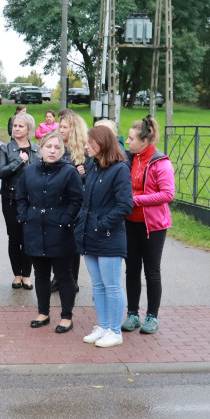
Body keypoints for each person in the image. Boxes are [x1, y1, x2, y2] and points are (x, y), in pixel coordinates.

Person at [16, 131, 83, 332]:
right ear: (41, 148)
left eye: (57, 147)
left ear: (62, 150)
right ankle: (43, 312)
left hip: (60, 231)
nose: (52, 151)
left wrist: (64, 220)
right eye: (49, 147)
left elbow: (77, 200)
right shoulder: (29, 171)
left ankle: (66, 316)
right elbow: (20, 196)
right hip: (35, 229)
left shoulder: (69, 172)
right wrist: (25, 216)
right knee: (41, 274)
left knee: (64, 275)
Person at [74, 125, 132, 348]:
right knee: (97, 285)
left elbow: (125, 205)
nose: (86, 146)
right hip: (89, 236)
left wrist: (101, 224)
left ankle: (115, 331)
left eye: (90, 142)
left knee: (112, 285)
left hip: (108, 236)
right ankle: (104, 325)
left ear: (102, 144)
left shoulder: (119, 169)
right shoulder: (94, 166)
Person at [122, 115, 175, 335]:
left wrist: (135, 200)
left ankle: (152, 316)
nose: (127, 142)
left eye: (131, 138)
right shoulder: (130, 159)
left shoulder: (161, 162)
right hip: (129, 223)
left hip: (153, 226)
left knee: (152, 271)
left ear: (144, 141)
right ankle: (132, 314)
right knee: (131, 270)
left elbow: (167, 194)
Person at [0, 112, 39, 290]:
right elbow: (1, 172)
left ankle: (27, 275)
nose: (16, 129)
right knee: (14, 238)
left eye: (20, 126)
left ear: (29, 129)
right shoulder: (5, 149)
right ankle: (17, 275)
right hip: (11, 199)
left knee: (28, 238)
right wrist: (20, 161)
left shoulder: (37, 149)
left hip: (32, 201)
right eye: (14, 126)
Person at [57, 108, 91, 292]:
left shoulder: (84, 152)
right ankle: (58, 278)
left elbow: (89, 177)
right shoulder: (56, 147)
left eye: (64, 127)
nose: (60, 130)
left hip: (75, 204)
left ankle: (72, 280)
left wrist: (81, 176)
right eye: (60, 126)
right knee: (57, 242)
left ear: (74, 130)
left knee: (72, 243)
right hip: (56, 201)